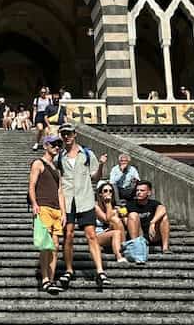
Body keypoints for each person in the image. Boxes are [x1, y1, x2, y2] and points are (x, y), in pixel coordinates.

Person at [57, 124, 108, 291]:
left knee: (91, 235)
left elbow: (95, 177)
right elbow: (58, 180)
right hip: (67, 200)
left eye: (69, 133)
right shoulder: (59, 157)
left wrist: (101, 165)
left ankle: (100, 271)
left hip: (85, 199)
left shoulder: (87, 154)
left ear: (75, 134)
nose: (67, 136)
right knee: (68, 235)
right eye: (64, 134)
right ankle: (69, 270)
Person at [29, 135, 64, 294]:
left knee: (55, 247)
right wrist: (35, 204)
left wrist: (63, 211)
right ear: (46, 146)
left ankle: (51, 278)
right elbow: (32, 185)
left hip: (56, 209)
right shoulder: (38, 163)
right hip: (43, 207)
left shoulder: (57, 168)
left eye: (59, 145)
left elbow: (60, 191)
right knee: (46, 245)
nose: (57, 147)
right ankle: (44, 279)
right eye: (54, 144)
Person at [127, 182, 170, 254]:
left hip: (153, 235)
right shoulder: (130, 204)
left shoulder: (154, 203)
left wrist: (152, 222)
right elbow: (124, 217)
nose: (138, 192)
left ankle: (165, 248)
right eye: (137, 190)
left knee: (164, 217)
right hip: (139, 234)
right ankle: (136, 247)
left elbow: (163, 209)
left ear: (149, 192)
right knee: (133, 215)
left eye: (142, 190)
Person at [94, 182, 128, 264]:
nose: (108, 193)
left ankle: (124, 248)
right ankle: (120, 256)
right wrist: (108, 204)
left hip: (111, 232)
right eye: (105, 191)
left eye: (110, 191)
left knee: (117, 223)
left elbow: (116, 223)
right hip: (98, 235)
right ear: (100, 194)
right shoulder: (95, 207)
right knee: (116, 231)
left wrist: (123, 216)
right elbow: (106, 219)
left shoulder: (114, 208)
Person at [32, 86, 54, 150]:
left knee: (46, 131)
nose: (43, 93)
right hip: (39, 114)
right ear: (40, 93)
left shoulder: (49, 100)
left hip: (47, 115)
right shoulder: (36, 99)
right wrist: (33, 118)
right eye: (42, 92)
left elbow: (51, 109)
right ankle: (37, 143)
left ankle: (45, 143)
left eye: (44, 92)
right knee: (40, 129)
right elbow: (35, 110)